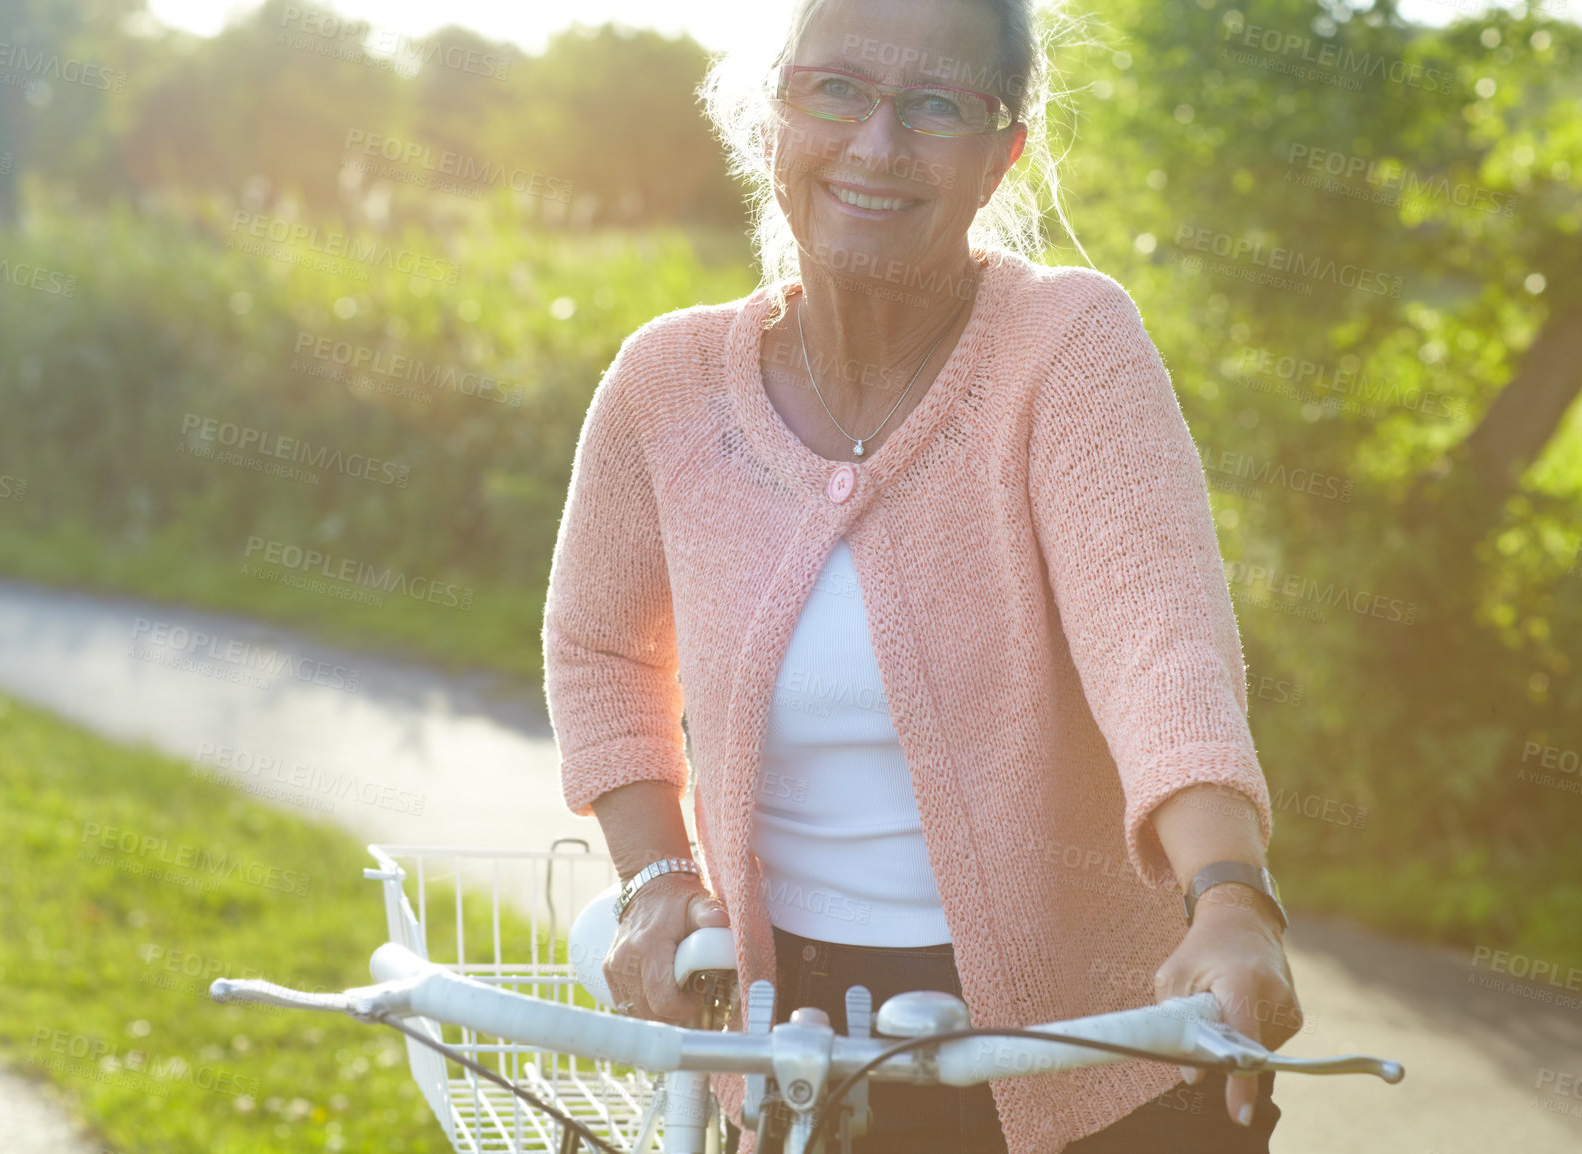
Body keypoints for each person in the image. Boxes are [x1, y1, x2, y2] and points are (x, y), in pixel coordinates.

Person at [541, 0, 1302, 1150]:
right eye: (834, 89)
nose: (878, 144)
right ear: (769, 118)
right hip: (789, 1050)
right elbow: (599, 646)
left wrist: (1229, 896)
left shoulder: (1064, 346)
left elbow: (1160, 646)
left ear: (1006, 152)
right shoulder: (667, 383)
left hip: (1097, 1050)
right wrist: (655, 874)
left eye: (937, 106)